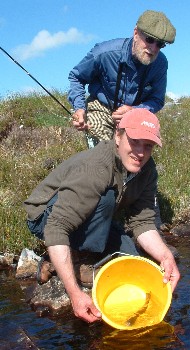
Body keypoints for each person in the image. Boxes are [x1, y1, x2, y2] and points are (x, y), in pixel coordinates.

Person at [23, 109, 180, 323]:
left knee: (132, 261)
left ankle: (66, 260)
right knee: (106, 199)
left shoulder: (147, 170)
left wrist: (165, 257)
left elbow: (142, 222)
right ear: (118, 136)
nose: (140, 153)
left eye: (148, 146)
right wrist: (75, 294)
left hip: (87, 214)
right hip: (46, 217)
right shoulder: (97, 166)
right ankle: (74, 258)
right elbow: (56, 226)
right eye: (134, 142)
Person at [68, 9, 176, 145]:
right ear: (136, 33)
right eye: (149, 40)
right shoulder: (104, 53)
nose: (153, 48)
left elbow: (157, 100)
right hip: (102, 106)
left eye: (160, 44)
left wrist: (135, 110)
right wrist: (79, 108)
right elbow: (76, 77)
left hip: (135, 112)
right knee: (103, 153)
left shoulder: (160, 64)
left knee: (136, 156)